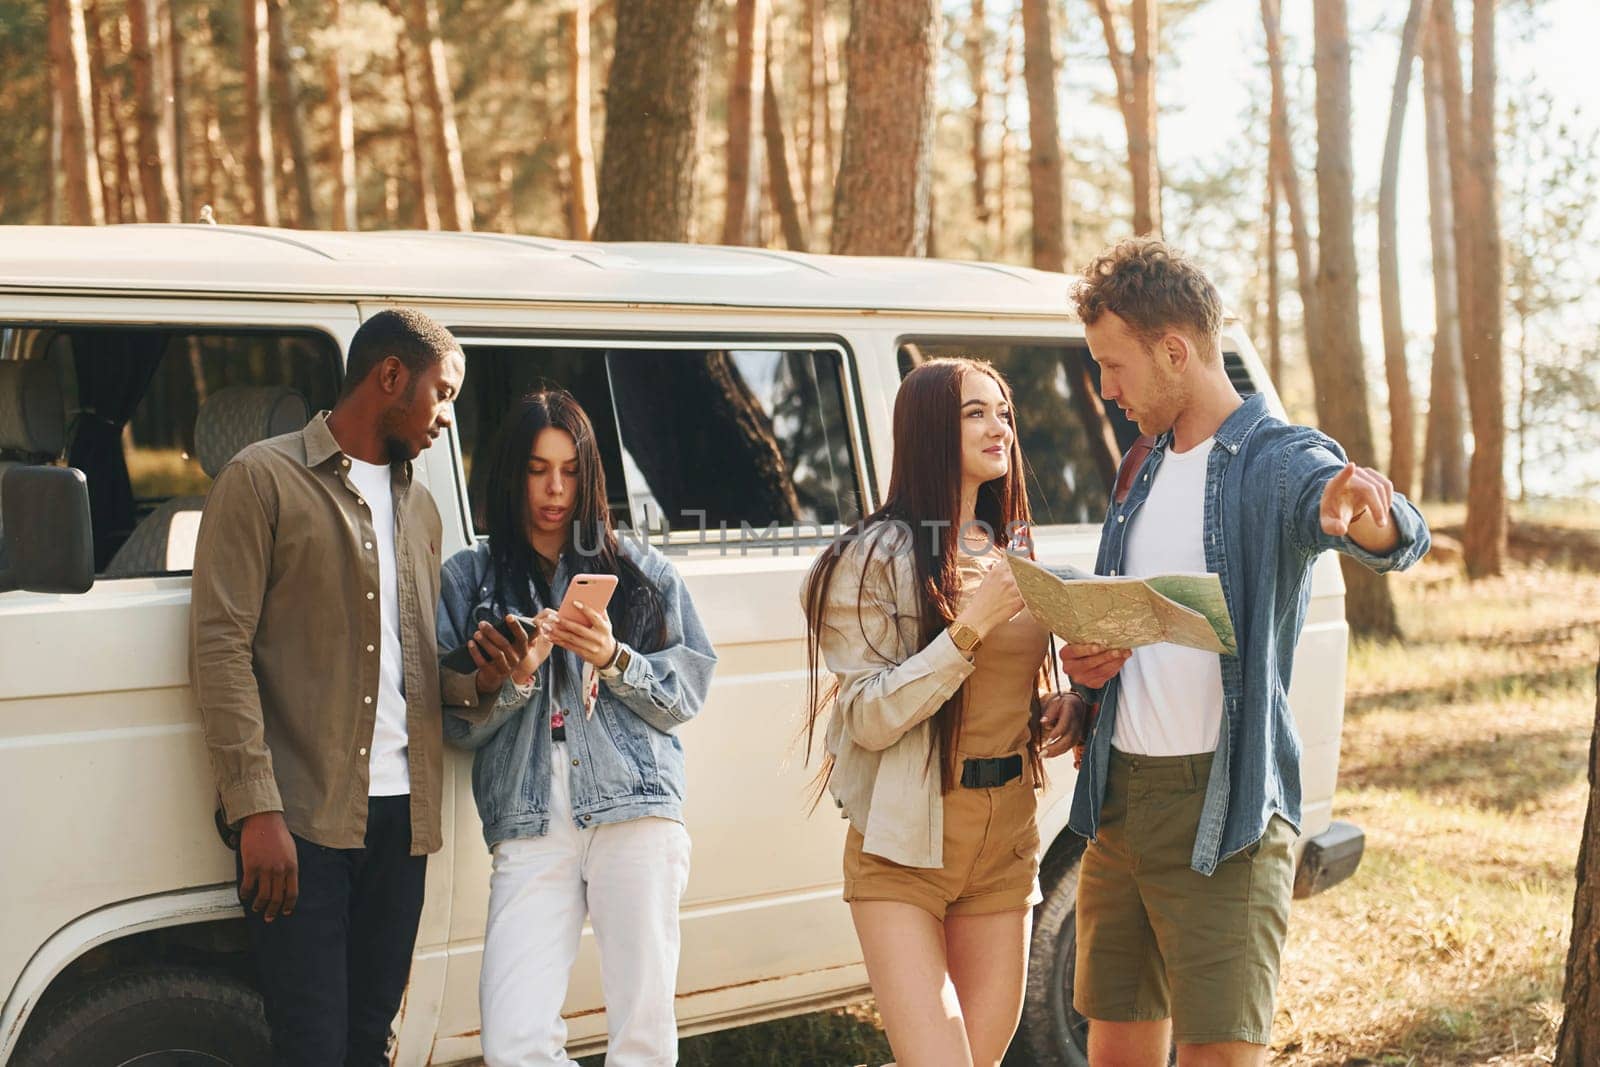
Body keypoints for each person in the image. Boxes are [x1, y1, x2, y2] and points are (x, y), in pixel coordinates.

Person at [1060, 238, 1431, 1067]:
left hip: (1220, 814)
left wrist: (1358, 510)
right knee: (1113, 1051)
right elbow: (1134, 627)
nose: (1105, 389)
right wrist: (1087, 678)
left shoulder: (1277, 458)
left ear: (1175, 350)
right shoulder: (1140, 467)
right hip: (1117, 802)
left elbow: (1390, 529)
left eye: (1113, 366)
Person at [190, 307, 467, 1065]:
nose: (446, 417)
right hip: (302, 822)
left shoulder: (425, 509)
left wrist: (484, 676)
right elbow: (220, 648)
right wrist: (255, 808)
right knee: (310, 1047)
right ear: (388, 377)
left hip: (403, 824)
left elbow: (415, 662)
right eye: (441, 394)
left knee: (369, 1044)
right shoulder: (261, 480)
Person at [800, 357, 1089, 1067]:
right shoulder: (873, 555)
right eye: (976, 413)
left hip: (1007, 836)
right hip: (907, 841)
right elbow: (866, 714)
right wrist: (968, 629)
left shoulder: (1008, 548)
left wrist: (1064, 706)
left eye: (1004, 413)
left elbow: (1003, 686)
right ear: (930, 427)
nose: (1000, 428)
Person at [437, 389, 717, 1067]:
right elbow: (449, 723)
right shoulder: (469, 578)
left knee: (643, 1039)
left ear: (590, 473)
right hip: (531, 814)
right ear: (511, 473)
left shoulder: (642, 573)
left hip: (635, 806)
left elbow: (687, 692)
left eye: (568, 469)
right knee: (514, 1041)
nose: (554, 488)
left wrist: (614, 658)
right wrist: (514, 678)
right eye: (537, 469)